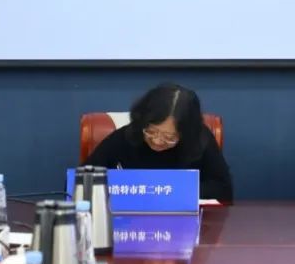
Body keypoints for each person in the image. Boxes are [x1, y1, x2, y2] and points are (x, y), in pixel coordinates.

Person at [83, 83, 233, 203]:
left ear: (186, 133)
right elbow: (83, 179)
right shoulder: (128, 136)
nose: (157, 141)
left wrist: (172, 191)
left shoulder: (199, 139)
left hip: (185, 222)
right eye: (151, 131)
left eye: (169, 137)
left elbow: (223, 189)